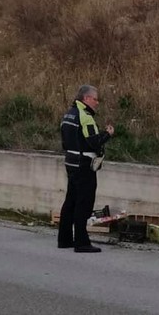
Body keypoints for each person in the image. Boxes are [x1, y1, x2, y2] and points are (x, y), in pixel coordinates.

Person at [58, 85, 114, 253]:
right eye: (95, 99)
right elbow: (93, 141)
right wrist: (107, 134)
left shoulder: (69, 113)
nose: (97, 103)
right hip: (84, 164)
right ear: (87, 98)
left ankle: (64, 239)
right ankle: (81, 242)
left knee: (70, 201)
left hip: (71, 161)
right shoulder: (85, 116)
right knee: (84, 203)